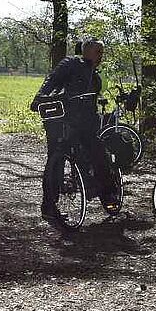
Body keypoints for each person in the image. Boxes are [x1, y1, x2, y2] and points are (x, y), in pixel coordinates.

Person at [30, 39, 120, 225]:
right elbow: (51, 79)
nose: (100, 56)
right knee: (55, 161)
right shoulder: (71, 64)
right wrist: (39, 98)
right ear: (86, 51)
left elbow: (96, 97)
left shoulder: (95, 75)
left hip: (85, 123)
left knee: (97, 154)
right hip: (63, 120)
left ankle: (108, 196)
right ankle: (49, 206)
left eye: (102, 52)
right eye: (97, 52)